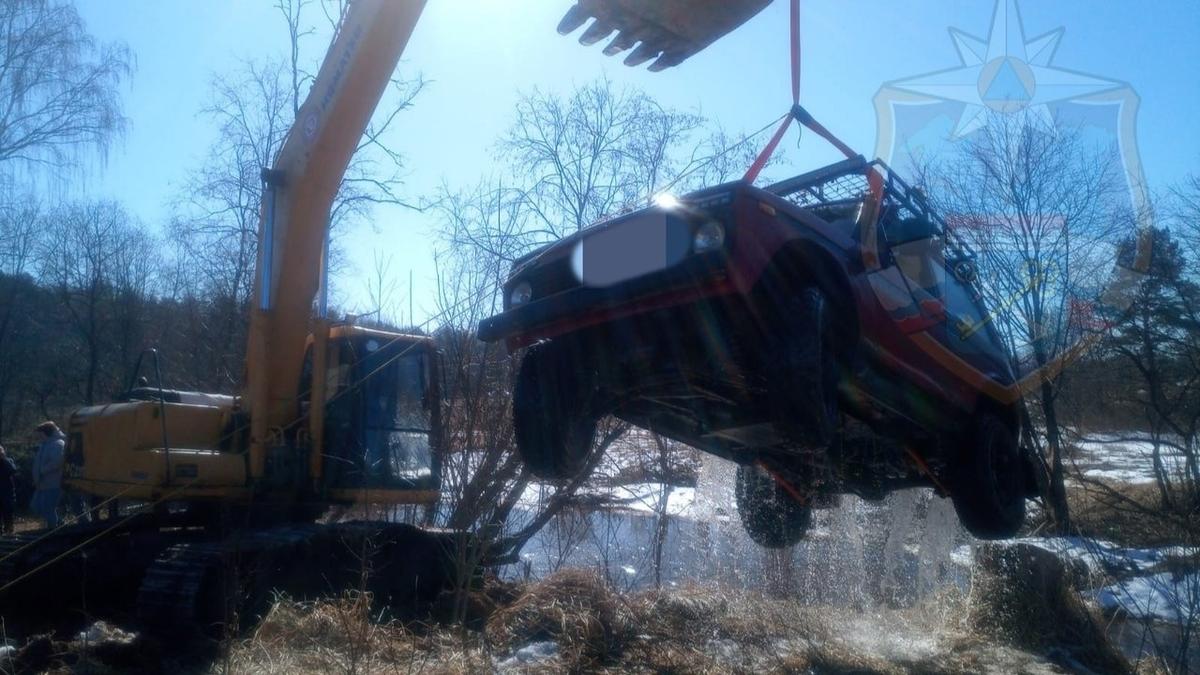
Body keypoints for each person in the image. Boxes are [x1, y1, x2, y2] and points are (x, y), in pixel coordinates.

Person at [30, 421, 65, 528]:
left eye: (39, 434)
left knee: (48, 509)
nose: (37, 436)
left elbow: (57, 462)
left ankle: (53, 529)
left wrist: (42, 470)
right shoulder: (44, 445)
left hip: (53, 483)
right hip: (42, 483)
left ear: (45, 433)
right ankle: (58, 523)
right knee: (36, 507)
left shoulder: (57, 444)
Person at [0, 444, 16, 534]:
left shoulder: (8, 461)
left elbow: (13, 470)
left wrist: (3, 458)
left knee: (8, 515)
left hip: (7, 493)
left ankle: (9, 533)